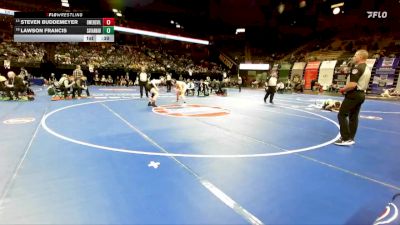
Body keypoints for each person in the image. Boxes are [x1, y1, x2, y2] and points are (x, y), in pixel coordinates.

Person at [335, 50, 371, 146]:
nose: (354, 57)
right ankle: (351, 138)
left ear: (360, 57)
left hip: (353, 94)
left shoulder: (357, 68)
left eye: (355, 56)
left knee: (342, 114)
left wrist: (342, 89)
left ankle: (345, 138)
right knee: (353, 117)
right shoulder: (367, 68)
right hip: (361, 94)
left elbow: (352, 84)